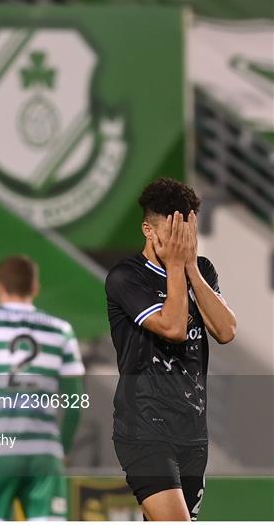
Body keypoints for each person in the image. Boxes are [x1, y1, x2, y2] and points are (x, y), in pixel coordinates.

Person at [105, 178, 237, 521]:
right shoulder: (126, 276)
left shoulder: (202, 269)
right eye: (172, 232)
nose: (181, 242)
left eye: (188, 232)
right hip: (144, 429)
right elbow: (174, 328)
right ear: (149, 230)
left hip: (193, 432)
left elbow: (226, 331)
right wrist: (178, 267)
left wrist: (190, 265)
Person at [0, 255, 85, 521]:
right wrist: (64, 447)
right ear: (35, 288)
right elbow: (75, 402)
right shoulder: (61, 331)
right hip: (44, 454)